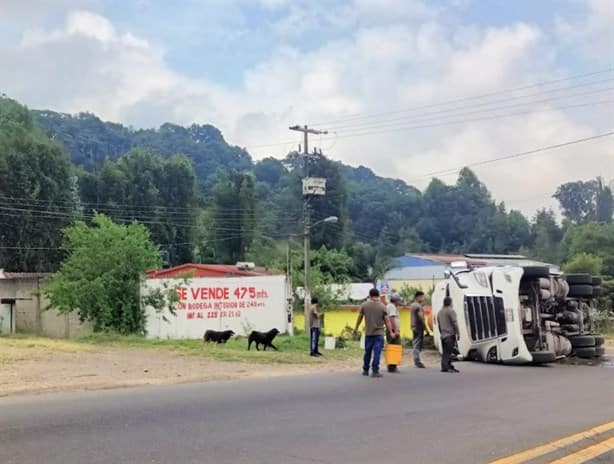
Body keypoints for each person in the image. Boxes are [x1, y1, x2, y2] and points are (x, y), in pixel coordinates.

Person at [354, 288, 396, 378]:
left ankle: (365, 370)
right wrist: (391, 332)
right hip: (379, 333)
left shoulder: (364, 305)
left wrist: (356, 328)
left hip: (368, 333)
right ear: (378, 295)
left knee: (367, 352)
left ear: (370, 295)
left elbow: (359, 318)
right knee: (377, 353)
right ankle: (375, 371)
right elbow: (387, 321)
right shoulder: (382, 306)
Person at [437, 296, 460, 373]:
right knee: (448, 352)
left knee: (446, 351)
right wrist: (458, 332)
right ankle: (446, 367)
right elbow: (455, 323)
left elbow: (439, 325)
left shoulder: (440, 312)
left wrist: (441, 333)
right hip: (450, 334)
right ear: (450, 302)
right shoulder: (451, 311)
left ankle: (448, 366)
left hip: (443, 335)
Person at [385, 293, 403, 373]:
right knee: (395, 347)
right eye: (399, 300)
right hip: (392, 330)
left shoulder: (390, 306)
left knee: (392, 347)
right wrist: (395, 330)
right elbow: (391, 318)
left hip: (391, 330)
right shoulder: (391, 306)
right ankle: (392, 366)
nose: (399, 302)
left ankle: (392, 366)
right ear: (396, 300)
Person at [410, 291, 426, 368]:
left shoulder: (412, 305)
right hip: (418, 327)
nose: (423, 298)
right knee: (417, 343)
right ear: (418, 297)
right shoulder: (418, 306)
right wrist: (425, 326)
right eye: (422, 297)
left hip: (413, 326)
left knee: (415, 342)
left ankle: (416, 359)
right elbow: (421, 317)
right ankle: (417, 360)